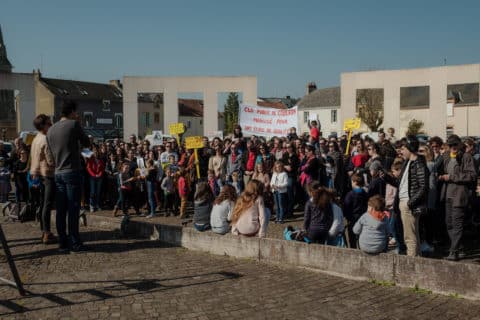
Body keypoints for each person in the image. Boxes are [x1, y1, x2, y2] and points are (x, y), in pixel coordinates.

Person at [46, 100, 90, 253]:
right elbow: (87, 142)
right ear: (72, 112)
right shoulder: (73, 125)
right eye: (76, 112)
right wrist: (78, 123)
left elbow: (49, 156)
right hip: (71, 171)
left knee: (61, 210)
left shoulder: (50, 130)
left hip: (58, 172)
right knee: (73, 208)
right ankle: (75, 243)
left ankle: (62, 243)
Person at [382, 135, 428, 257]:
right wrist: (386, 177)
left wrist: (410, 203)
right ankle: (417, 261)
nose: (401, 152)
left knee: (409, 237)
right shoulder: (408, 163)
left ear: (409, 148)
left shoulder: (418, 163)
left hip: (409, 203)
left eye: (403, 149)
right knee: (413, 235)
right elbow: (399, 184)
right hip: (404, 201)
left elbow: (423, 187)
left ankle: (411, 264)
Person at [439, 135, 477, 261]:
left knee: (457, 224)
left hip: (459, 196)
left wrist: (451, 177)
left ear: (460, 144)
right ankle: (459, 248)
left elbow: (471, 176)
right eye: (450, 145)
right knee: (448, 223)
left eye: (455, 144)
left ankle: (453, 251)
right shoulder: (446, 156)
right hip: (448, 195)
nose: (453, 147)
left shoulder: (466, 157)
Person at [30, 114, 57, 244]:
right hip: (47, 174)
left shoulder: (36, 138)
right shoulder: (45, 139)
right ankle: (47, 232)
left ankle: (44, 231)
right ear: (43, 125)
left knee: (42, 204)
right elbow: (51, 160)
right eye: (48, 123)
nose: (51, 124)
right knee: (47, 204)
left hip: (38, 173)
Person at [343, 174, 368, 248]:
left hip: (352, 219)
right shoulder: (365, 194)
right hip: (363, 218)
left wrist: (347, 217)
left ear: (354, 182)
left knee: (352, 238)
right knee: (361, 236)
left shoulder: (350, 194)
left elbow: (346, 207)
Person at [86, 148, 105, 212]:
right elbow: (89, 168)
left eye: (97, 152)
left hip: (99, 177)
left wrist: (99, 174)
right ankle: (91, 205)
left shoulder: (101, 160)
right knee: (93, 192)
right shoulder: (90, 160)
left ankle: (97, 204)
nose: (96, 154)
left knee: (98, 192)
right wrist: (94, 175)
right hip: (92, 177)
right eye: (95, 153)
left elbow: (102, 168)